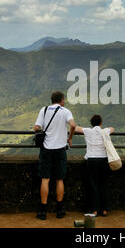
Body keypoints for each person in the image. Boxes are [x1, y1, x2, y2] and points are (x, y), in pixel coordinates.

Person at [34, 91, 76, 220]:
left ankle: (43, 210)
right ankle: (60, 209)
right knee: (59, 179)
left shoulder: (44, 110)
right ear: (62, 100)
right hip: (60, 149)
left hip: (46, 149)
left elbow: (36, 127)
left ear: (52, 100)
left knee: (45, 179)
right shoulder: (65, 111)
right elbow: (73, 125)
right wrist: (69, 138)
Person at [75, 115, 115, 217]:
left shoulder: (88, 131)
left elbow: (75, 128)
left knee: (93, 185)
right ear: (101, 123)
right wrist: (105, 129)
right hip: (103, 160)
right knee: (104, 184)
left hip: (92, 160)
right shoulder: (105, 131)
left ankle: (95, 210)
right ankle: (105, 209)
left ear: (91, 124)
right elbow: (112, 129)